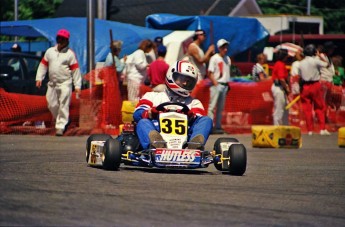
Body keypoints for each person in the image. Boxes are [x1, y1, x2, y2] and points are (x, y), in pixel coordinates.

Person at [133, 60, 213, 150]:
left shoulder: (194, 102)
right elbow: (137, 113)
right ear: (171, 75)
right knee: (142, 122)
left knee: (207, 120)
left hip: (186, 136)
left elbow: (199, 118)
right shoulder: (152, 96)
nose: (185, 83)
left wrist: (191, 116)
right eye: (182, 79)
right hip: (157, 129)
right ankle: (157, 145)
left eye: (189, 81)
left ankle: (194, 146)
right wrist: (150, 113)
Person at [35, 29, 82, 136]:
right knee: (51, 104)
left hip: (65, 83)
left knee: (63, 104)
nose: (60, 40)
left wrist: (77, 85)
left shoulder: (70, 54)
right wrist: (39, 78)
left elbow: (75, 71)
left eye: (62, 39)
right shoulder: (50, 52)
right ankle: (63, 119)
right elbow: (43, 66)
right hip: (52, 83)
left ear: (67, 40)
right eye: (59, 38)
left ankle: (60, 126)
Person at [298, 44, 330, 135]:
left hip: (305, 86)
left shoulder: (301, 63)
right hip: (315, 85)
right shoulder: (315, 61)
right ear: (314, 52)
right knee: (319, 107)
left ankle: (310, 130)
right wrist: (320, 56)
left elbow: (300, 77)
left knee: (307, 109)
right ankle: (322, 129)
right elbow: (327, 65)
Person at [207, 39, 231, 134]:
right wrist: (215, 83)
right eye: (223, 47)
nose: (225, 49)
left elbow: (227, 72)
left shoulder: (227, 59)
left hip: (224, 84)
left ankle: (218, 126)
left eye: (226, 47)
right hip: (217, 84)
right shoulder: (215, 58)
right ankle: (209, 126)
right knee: (212, 107)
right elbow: (210, 72)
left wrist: (227, 83)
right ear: (219, 48)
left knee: (220, 108)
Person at [271, 48, 290, 125]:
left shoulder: (279, 63)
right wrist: (287, 88)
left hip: (280, 87)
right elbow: (281, 79)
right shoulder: (280, 64)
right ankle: (277, 126)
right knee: (279, 109)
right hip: (279, 87)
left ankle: (284, 126)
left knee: (284, 108)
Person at [318, 41, 336, 113]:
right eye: (331, 49)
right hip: (324, 81)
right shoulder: (321, 56)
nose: (333, 50)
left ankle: (325, 115)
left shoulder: (328, 57)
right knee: (323, 100)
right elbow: (325, 65)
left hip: (329, 81)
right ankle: (321, 116)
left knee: (327, 100)